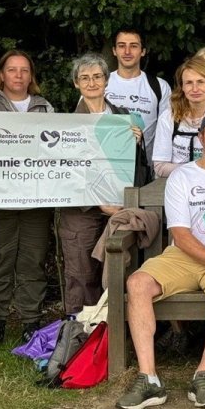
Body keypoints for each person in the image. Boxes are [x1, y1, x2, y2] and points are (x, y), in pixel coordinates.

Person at [116, 110, 205, 409]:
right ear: (202, 136)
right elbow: (180, 233)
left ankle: (202, 376)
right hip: (185, 255)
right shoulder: (183, 175)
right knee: (137, 282)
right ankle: (149, 379)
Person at [0, 50, 55, 347]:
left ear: (31, 75)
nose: (19, 75)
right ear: (2, 74)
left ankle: (30, 323)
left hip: (36, 199)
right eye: (12, 70)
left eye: (24, 70)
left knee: (33, 261)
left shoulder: (44, 108)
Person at [58, 53, 143, 316]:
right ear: (76, 84)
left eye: (97, 77)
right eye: (85, 78)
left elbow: (138, 168)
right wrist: (97, 202)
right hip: (81, 210)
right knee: (81, 272)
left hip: (119, 207)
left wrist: (137, 144)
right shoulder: (64, 124)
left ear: (107, 80)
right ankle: (80, 335)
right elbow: (62, 173)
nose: (92, 82)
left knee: (119, 270)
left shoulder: (125, 117)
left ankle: (116, 330)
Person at [152, 56, 205, 177]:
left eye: (200, 82)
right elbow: (160, 167)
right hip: (178, 185)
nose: (195, 89)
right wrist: (198, 169)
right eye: (189, 83)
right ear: (182, 87)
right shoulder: (169, 116)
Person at [104, 29, 171, 160]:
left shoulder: (160, 86)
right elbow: (83, 123)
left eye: (134, 46)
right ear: (114, 50)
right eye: (121, 46)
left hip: (145, 172)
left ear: (143, 51)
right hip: (105, 164)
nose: (127, 51)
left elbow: (167, 132)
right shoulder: (100, 84)